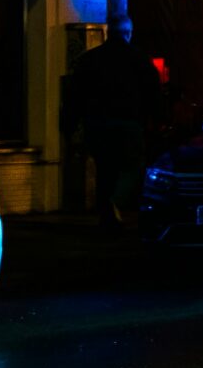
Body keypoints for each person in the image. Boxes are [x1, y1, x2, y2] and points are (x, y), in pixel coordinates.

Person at [65, 18, 161, 229]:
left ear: (108, 32)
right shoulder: (138, 58)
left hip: (96, 123)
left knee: (104, 167)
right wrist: (153, 118)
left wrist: (70, 125)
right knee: (132, 165)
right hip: (128, 122)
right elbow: (153, 91)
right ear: (128, 32)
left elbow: (76, 94)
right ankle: (115, 202)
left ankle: (106, 214)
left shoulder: (90, 58)